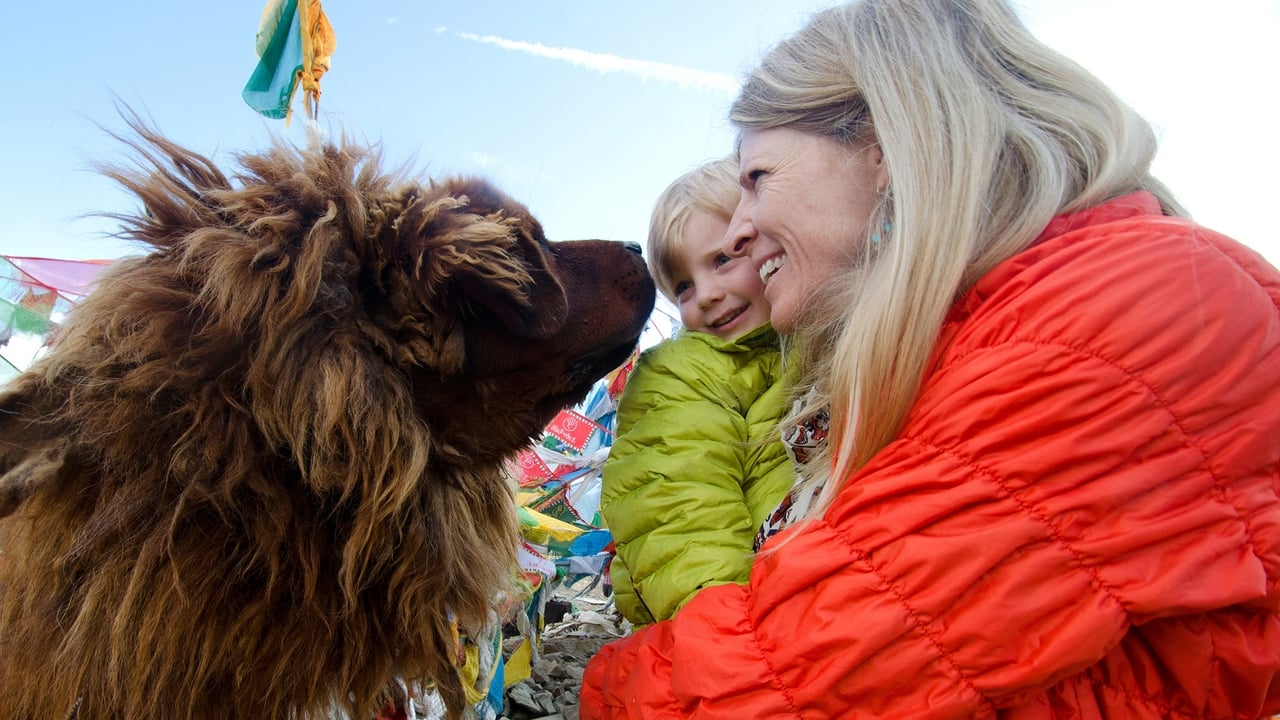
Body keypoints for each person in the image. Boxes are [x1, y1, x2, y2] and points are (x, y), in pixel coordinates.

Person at [581, 0, 1280, 717]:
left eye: (756, 175)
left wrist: (603, 691)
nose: (743, 225)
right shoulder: (983, 329)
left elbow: (792, 681)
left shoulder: (1125, 309)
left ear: (885, 143)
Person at [600, 157, 796, 626]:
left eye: (723, 260)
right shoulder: (679, 375)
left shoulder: (818, 342)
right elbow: (679, 515)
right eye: (683, 287)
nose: (705, 294)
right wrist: (726, 629)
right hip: (734, 621)